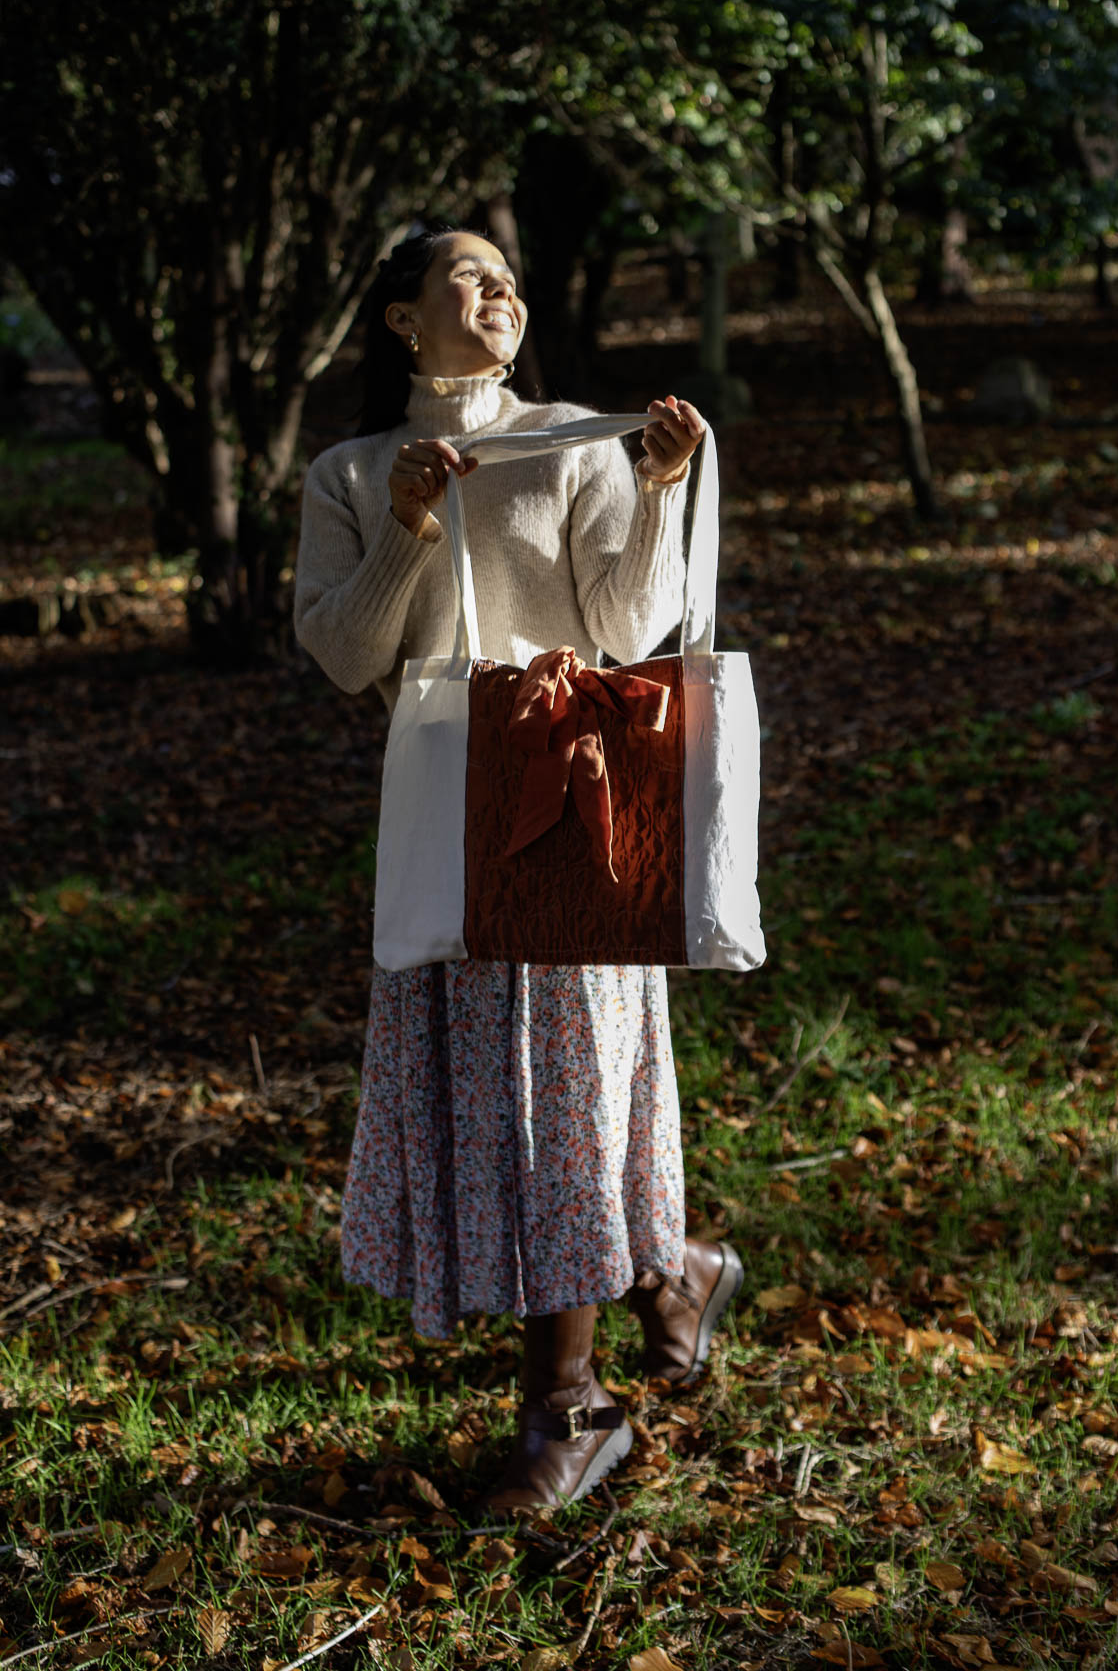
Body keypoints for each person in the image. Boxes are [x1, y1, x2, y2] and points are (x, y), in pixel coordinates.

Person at [293, 224, 743, 1514]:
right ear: (402, 319)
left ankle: (571, 1412)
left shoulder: (575, 441)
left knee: (567, 1102)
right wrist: (408, 526)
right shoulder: (351, 472)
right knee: (504, 1110)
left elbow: (627, 628)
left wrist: (657, 489)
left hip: (571, 810)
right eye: (468, 274)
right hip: (444, 818)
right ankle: (672, 1274)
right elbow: (345, 657)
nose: (500, 291)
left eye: (508, 277)